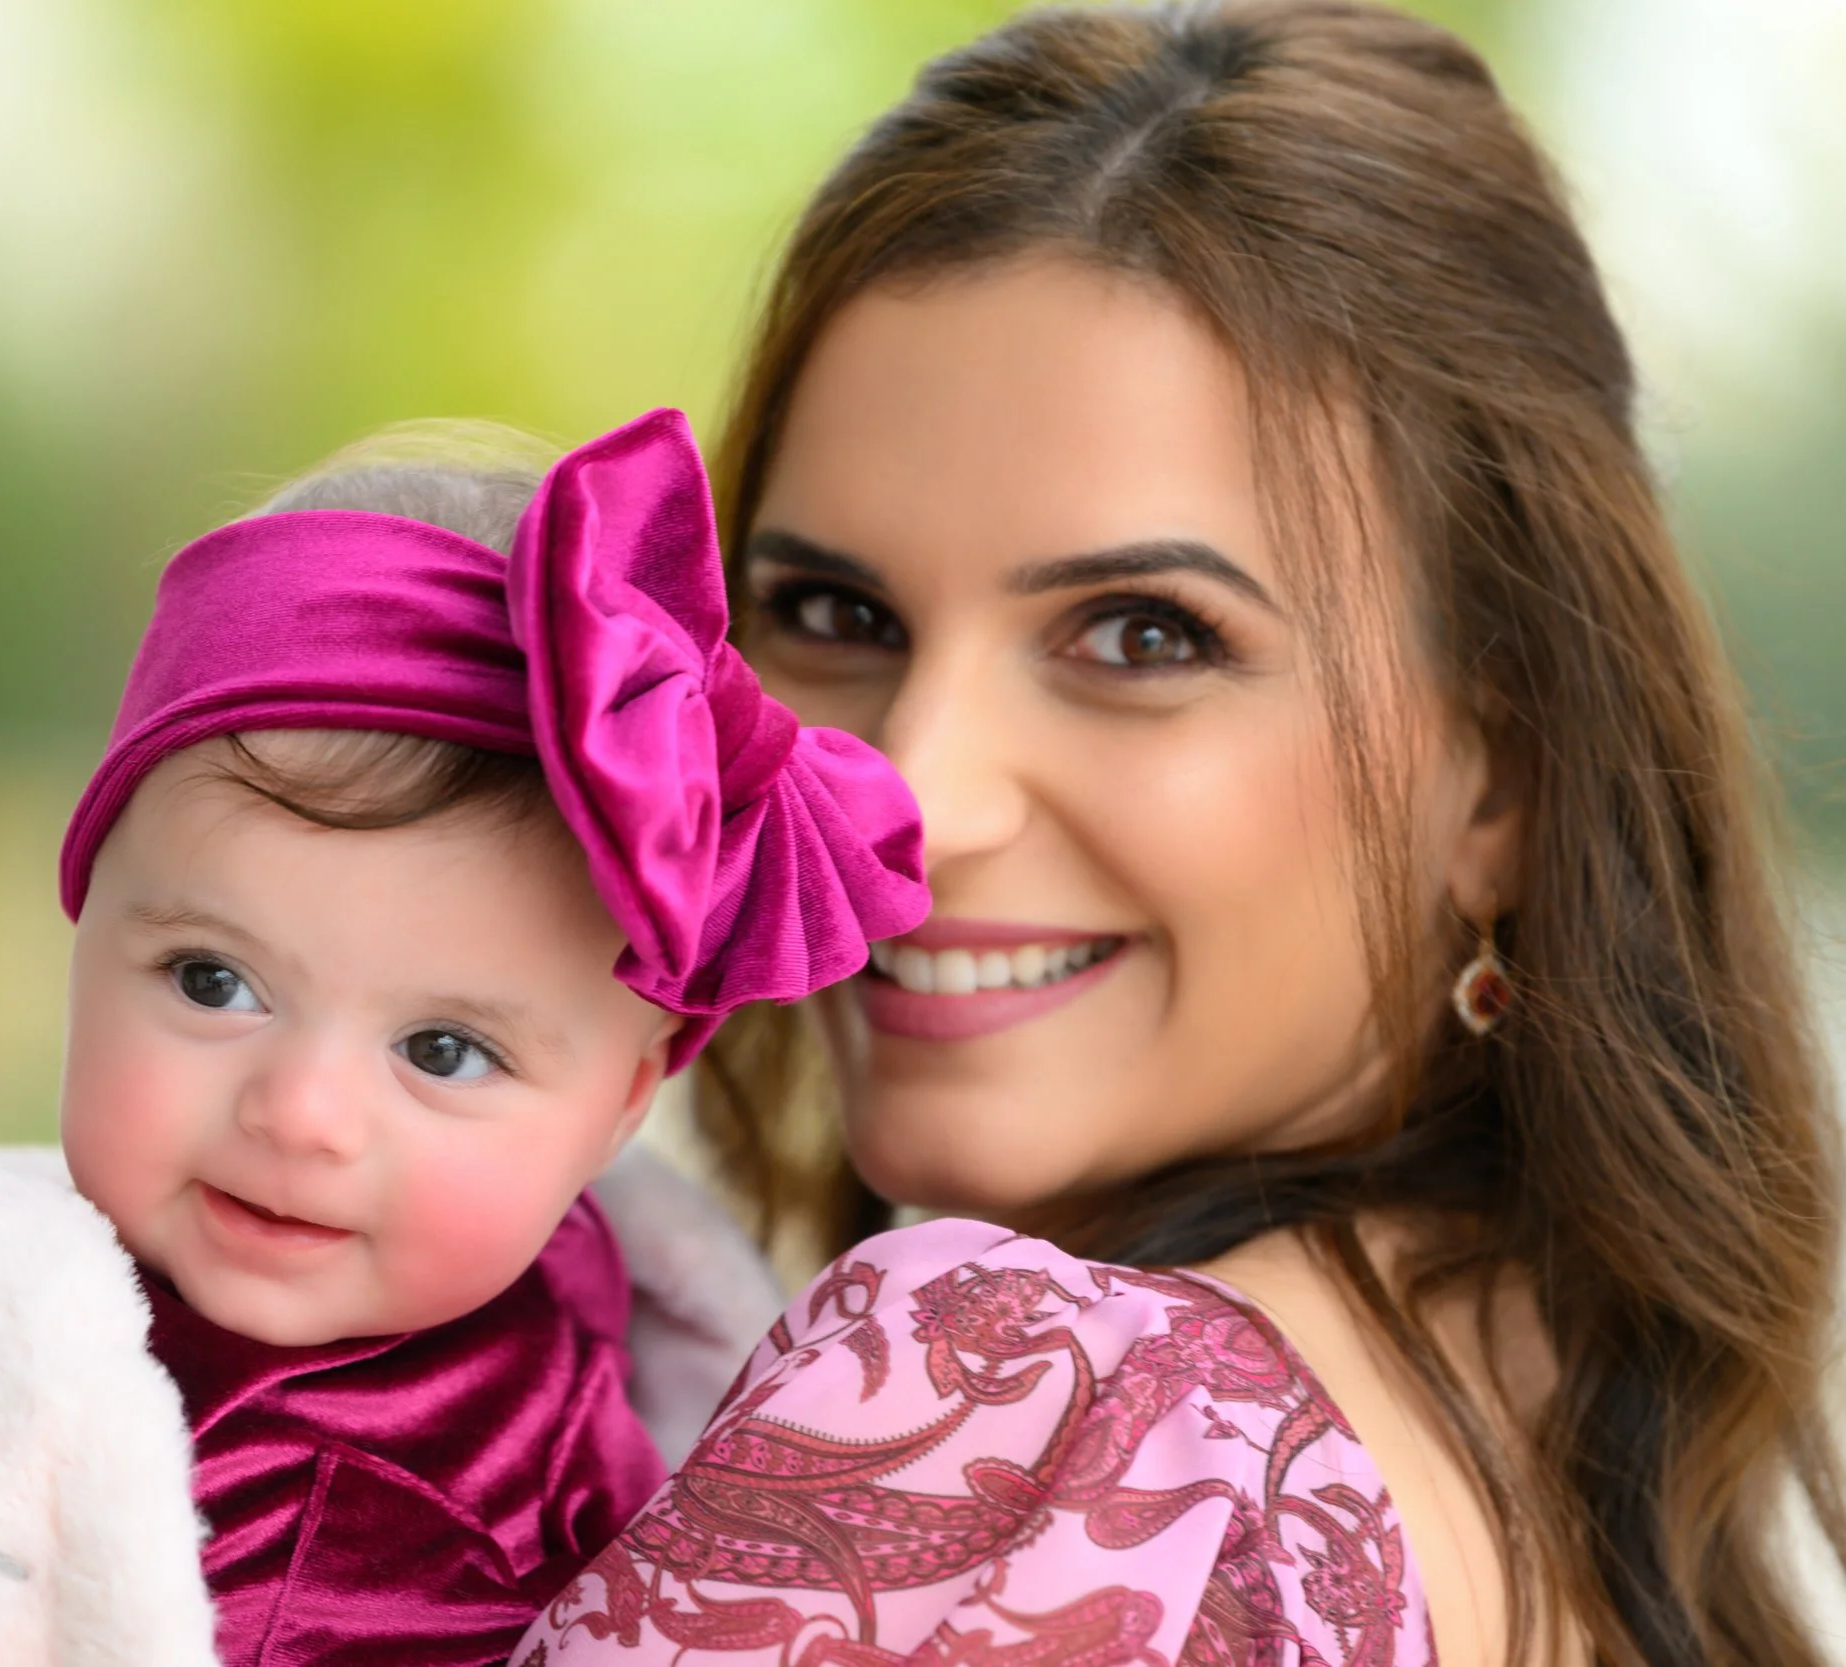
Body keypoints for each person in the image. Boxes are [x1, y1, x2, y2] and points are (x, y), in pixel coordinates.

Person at [519, 3, 1844, 1665]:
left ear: (1504, 780)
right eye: (834, 613)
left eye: (1143, 635)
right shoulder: (1575, 1454)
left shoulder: (1035, 1419)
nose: (918, 792)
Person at [0, 409, 928, 1667]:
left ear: (621, 1105)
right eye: (213, 981)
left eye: (443, 1052)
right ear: (86, 930)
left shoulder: (639, 1403)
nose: (301, 1111)